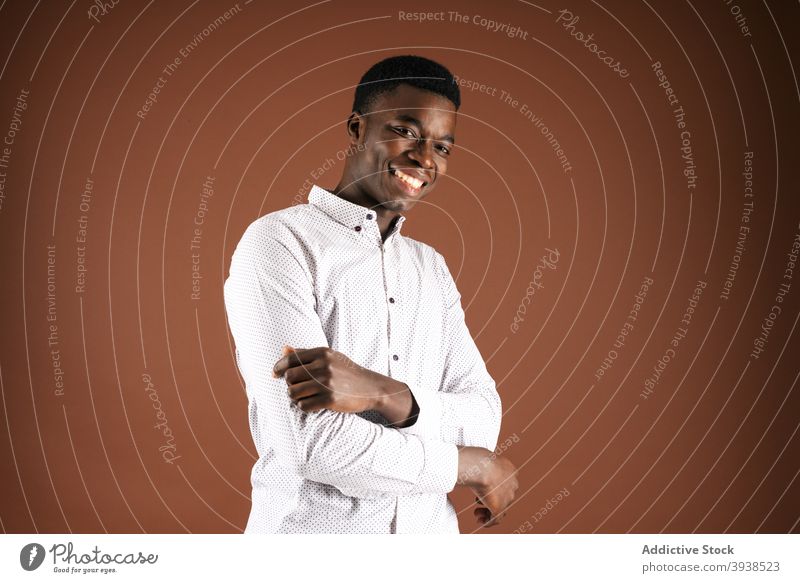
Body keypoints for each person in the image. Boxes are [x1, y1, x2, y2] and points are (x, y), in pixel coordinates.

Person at [224, 54, 518, 534]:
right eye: (406, 131)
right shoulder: (278, 244)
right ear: (358, 129)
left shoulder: (431, 269)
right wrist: (471, 466)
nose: (425, 159)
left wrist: (384, 394)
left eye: (442, 146)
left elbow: (484, 419)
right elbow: (314, 446)